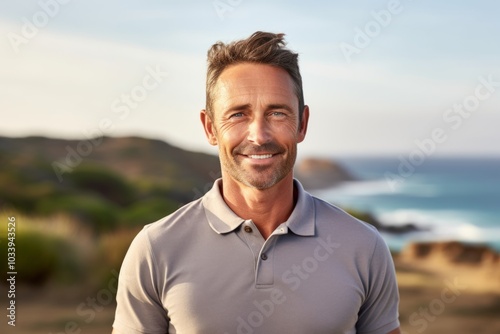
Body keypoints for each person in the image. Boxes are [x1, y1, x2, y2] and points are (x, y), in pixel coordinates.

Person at [112, 31, 401, 334]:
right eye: (238, 114)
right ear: (210, 128)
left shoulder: (365, 247)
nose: (259, 136)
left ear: (302, 124)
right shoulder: (156, 248)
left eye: (277, 113)